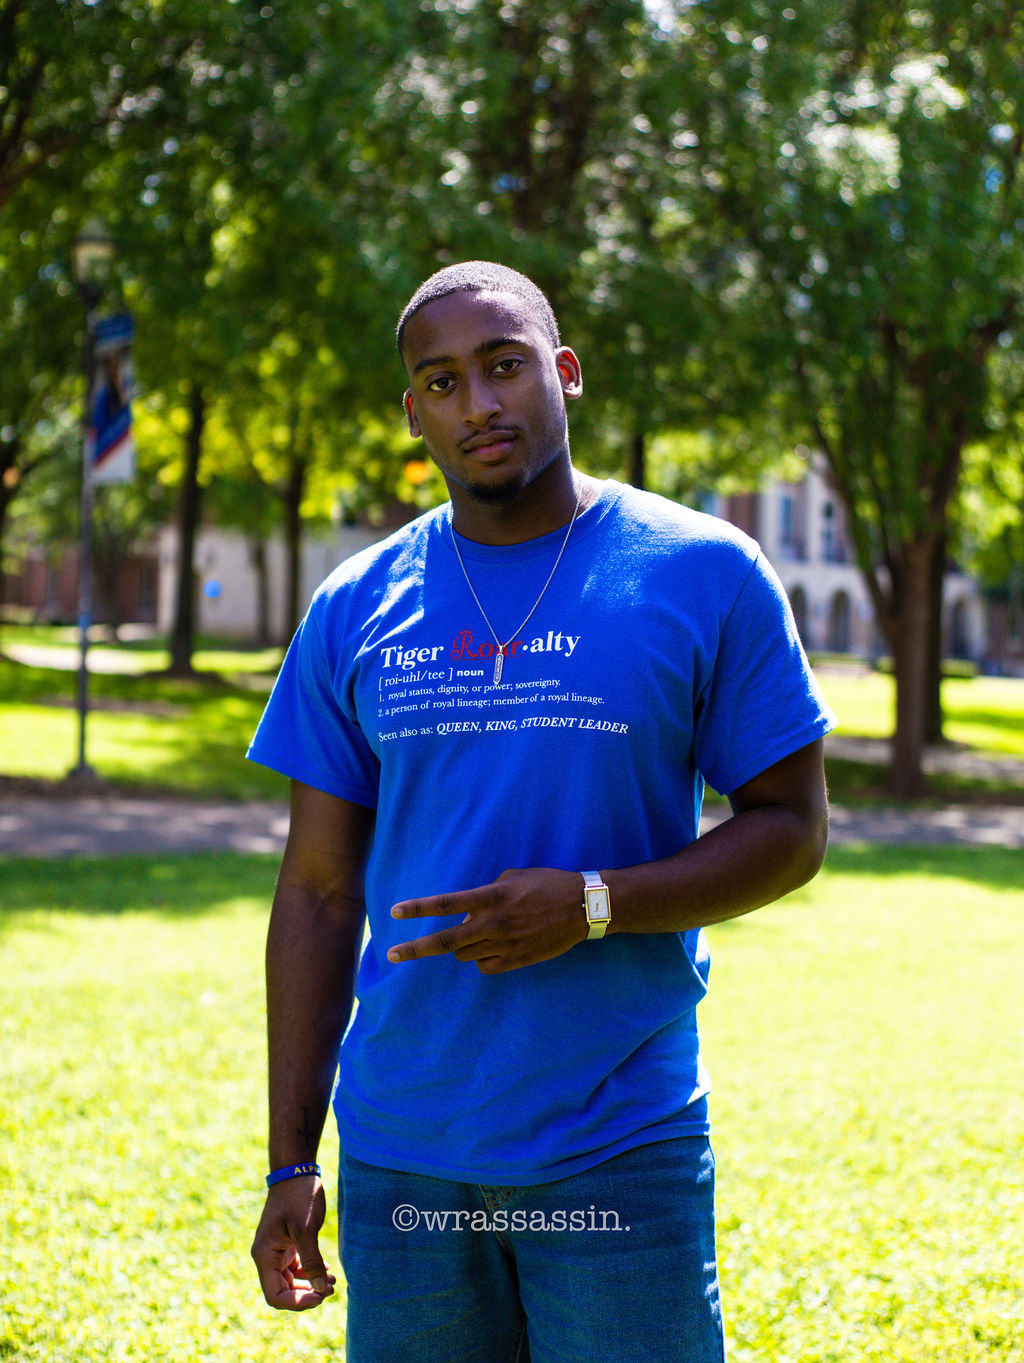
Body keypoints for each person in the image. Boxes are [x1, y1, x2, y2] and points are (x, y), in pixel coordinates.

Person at [248, 261, 835, 1362]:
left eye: (504, 365)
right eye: (442, 382)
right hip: (404, 1152)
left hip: (617, 1141)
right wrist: (291, 1157)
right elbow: (319, 891)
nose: (478, 402)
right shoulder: (355, 604)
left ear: (563, 372)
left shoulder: (704, 571)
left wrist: (595, 902)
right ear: (413, 412)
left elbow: (792, 829)